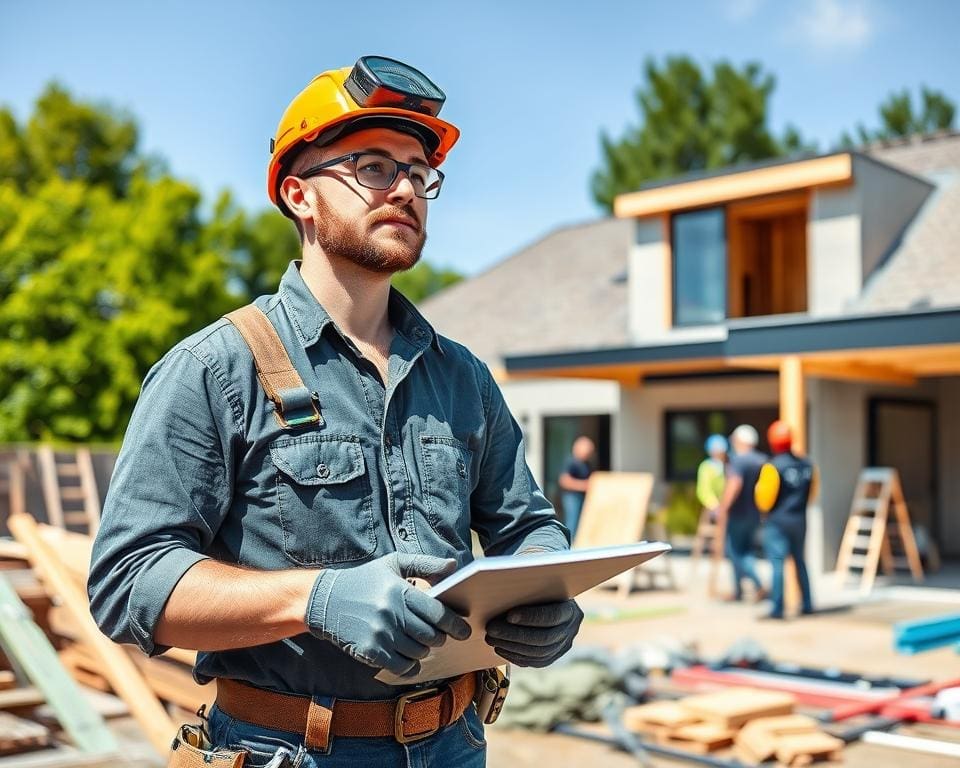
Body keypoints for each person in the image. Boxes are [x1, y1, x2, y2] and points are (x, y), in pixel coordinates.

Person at [87, 56, 582, 767]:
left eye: (419, 172)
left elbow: (526, 524)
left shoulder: (462, 377)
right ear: (299, 196)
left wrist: (546, 586)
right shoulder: (213, 369)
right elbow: (128, 582)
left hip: (456, 743)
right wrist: (315, 599)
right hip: (289, 749)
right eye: (374, 167)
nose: (406, 187)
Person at [755, 421, 817, 619]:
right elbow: (813, 493)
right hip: (800, 519)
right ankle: (807, 604)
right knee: (800, 562)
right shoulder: (808, 464)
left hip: (778, 521)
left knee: (777, 563)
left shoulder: (772, 467)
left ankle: (777, 608)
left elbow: (764, 500)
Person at [714, 424, 767, 602]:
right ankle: (738, 591)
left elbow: (734, 484)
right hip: (755, 514)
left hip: (738, 513)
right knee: (747, 551)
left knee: (735, 552)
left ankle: (757, 585)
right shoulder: (763, 460)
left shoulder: (739, 461)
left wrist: (723, 508)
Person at [557, 436, 596, 541]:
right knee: (572, 523)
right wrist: (584, 486)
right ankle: (569, 545)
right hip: (572, 497)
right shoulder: (571, 462)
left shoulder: (586, 463)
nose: (589, 454)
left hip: (582, 497)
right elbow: (564, 481)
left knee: (581, 523)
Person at [696, 434, 728, 520]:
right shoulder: (706, 467)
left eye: (720, 451)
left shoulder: (729, 464)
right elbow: (703, 489)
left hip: (729, 504)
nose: (718, 454)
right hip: (712, 507)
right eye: (715, 451)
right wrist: (713, 505)